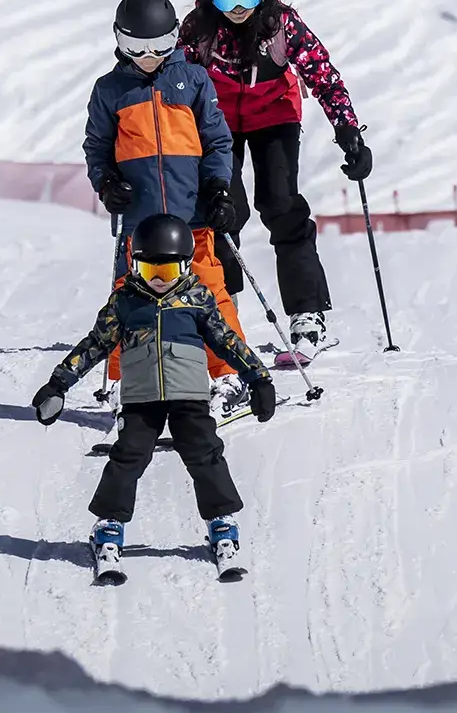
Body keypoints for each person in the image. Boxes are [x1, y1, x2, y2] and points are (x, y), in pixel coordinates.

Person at [33, 213, 275, 583]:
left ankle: (222, 524)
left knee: (205, 454)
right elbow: (96, 344)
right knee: (127, 457)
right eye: (149, 270)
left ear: (186, 265)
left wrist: (258, 378)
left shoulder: (197, 299)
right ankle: (109, 528)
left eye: (168, 270)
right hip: (141, 399)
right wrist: (58, 384)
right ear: (135, 265)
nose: (159, 279)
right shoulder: (126, 301)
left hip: (189, 396)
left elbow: (227, 342)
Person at [178, 0, 374, 359]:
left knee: (281, 203)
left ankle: (308, 314)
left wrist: (347, 129)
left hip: (275, 115)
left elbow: (322, 74)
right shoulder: (198, 29)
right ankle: (222, 307)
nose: (237, 8)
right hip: (218, 122)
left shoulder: (281, 24)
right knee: (223, 208)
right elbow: (174, 81)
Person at [83, 0, 252, 405]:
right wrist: (107, 184)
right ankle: (125, 379)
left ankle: (230, 374)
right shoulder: (110, 90)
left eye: (160, 46)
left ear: (175, 38)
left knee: (209, 291)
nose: (149, 57)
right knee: (128, 297)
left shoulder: (194, 80)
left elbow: (217, 142)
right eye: (136, 47)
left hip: (191, 215)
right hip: (139, 223)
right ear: (119, 41)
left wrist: (218, 187)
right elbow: (97, 148)